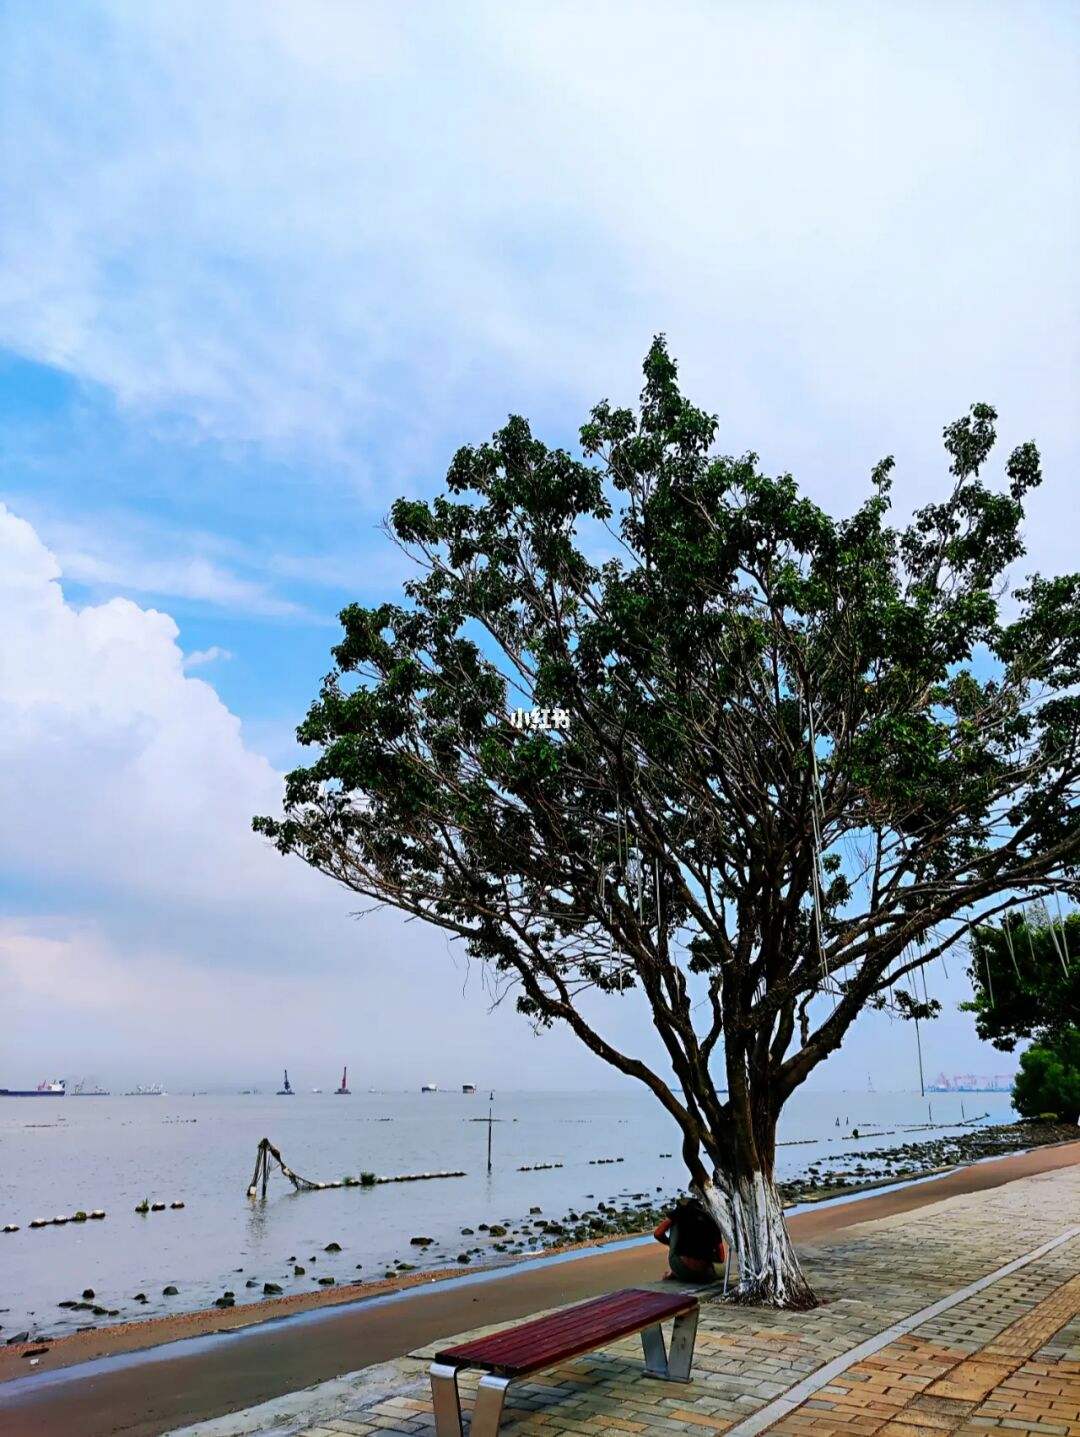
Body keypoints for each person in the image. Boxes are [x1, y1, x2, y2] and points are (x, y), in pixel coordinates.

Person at [653, 1195, 727, 1283]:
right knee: (724, 1270)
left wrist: (671, 1244)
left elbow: (658, 1233)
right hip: (704, 1272)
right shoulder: (711, 1219)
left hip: (682, 1268)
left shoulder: (679, 1213)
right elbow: (721, 1258)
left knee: (674, 1223)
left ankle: (675, 1271)